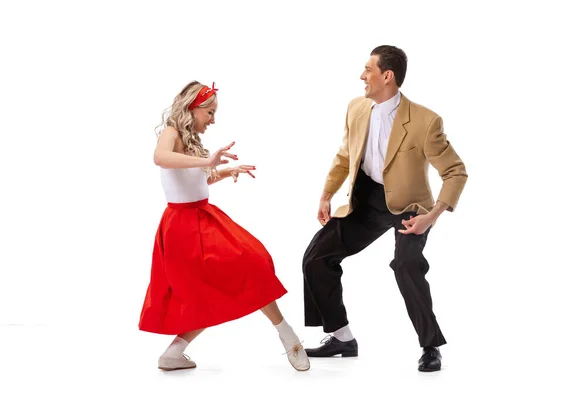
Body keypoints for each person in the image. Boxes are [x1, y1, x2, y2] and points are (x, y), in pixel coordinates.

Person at [302, 45, 468, 372]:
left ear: (386, 76)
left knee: (406, 265)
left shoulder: (424, 121)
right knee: (316, 257)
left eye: (368, 69)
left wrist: (431, 217)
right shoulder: (357, 108)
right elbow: (346, 156)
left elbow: (455, 171)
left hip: (410, 205)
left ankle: (430, 345)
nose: (362, 76)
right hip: (367, 199)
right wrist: (326, 194)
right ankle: (341, 337)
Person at [138, 81, 309, 372]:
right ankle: (288, 335)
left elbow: (194, 181)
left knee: (247, 267)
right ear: (193, 108)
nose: (213, 119)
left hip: (202, 218)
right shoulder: (172, 133)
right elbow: (160, 158)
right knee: (223, 280)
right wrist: (208, 160)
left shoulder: (190, 139)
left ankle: (174, 353)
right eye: (209, 112)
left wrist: (223, 171)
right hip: (183, 226)